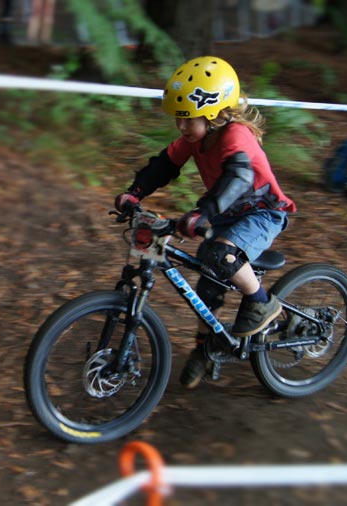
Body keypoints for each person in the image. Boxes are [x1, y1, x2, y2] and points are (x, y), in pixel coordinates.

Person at [114, 56, 297, 389]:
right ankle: (205, 348)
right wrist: (135, 193)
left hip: (262, 212)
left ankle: (262, 304)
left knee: (221, 255)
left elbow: (239, 177)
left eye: (188, 119)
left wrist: (203, 212)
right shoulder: (194, 140)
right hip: (227, 213)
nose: (181, 127)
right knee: (207, 281)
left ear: (214, 115)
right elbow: (163, 166)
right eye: (178, 119)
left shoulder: (236, 135)